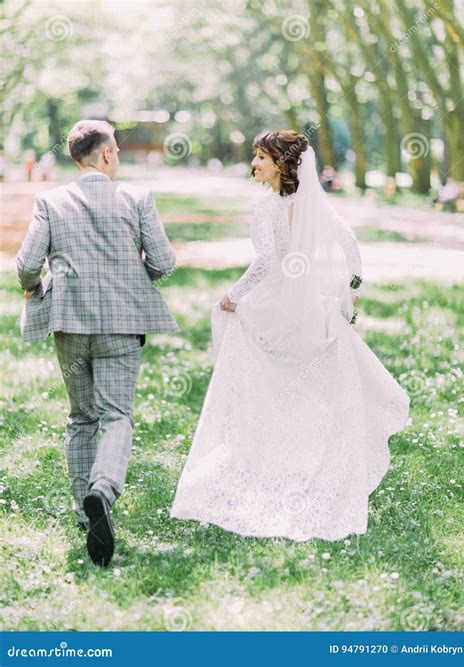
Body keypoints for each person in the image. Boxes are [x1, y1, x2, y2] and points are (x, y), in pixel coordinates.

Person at [170, 130, 410, 542]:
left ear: (282, 164)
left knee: (263, 387)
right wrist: (348, 294)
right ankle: (298, 461)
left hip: (272, 312)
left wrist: (231, 296)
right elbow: (349, 245)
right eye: (255, 155)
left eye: (262, 156)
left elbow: (266, 262)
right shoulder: (314, 205)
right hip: (312, 313)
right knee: (309, 389)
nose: (255, 163)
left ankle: (267, 460)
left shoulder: (265, 208)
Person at [16, 120, 177, 566]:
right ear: (106, 154)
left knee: (80, 417)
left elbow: (28, 263)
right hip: (121, 325)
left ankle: (83, 513)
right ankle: (102, 491)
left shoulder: (50, 201)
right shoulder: (136, 198)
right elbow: (163, 262)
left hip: (69, 326)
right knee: (116, 415)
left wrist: (33, 287)